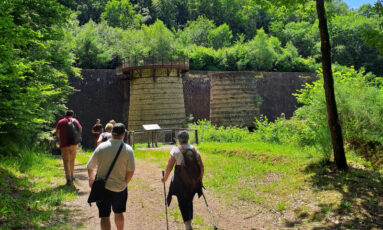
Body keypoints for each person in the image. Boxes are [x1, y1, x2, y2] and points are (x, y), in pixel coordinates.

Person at [87, 123, 135, 230]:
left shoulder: (101, 147)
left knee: (104, 216)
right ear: (123, 134)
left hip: (102, 188)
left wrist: (91, 179)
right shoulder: (128, 149)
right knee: (119, 213)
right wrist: (125, 183)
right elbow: (131, 170)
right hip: (120, 187)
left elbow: (90, 166)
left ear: (112, 133)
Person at [161, 131, 204, 230]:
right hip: (193, 181)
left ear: (179, 139)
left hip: (180, 181)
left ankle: (187, 225)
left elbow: (169, 167)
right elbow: (201, 167)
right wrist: (199, 180)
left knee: (182, 202)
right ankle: (189, 223)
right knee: (189, 201)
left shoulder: (176, 150)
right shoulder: (195, 150)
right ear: (188, 138)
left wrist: (165, 178)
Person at [55, 110, 82, 186]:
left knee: (66, 161)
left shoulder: (61, 121)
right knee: (72, 160)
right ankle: (72, 175)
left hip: (64, 145)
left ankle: (68, 178)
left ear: (65, 114)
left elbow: (57, 133)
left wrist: (61, 135)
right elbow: (80, 129)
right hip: (74, 144)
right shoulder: (75, 121)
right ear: (72, 115)